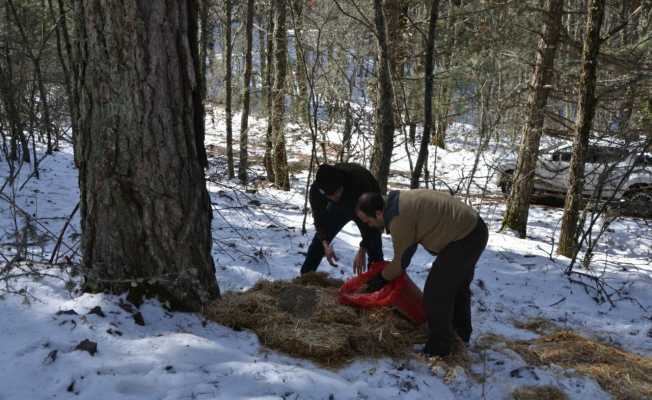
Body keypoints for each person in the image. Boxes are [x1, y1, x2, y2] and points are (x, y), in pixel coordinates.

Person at [355, 189, 488, 357]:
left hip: (465, 237)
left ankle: (439, 349)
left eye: (368, 221)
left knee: (435, 293)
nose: (369, 225)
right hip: (473, 229)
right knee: (456, 287)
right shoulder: (393, 203)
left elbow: (401, 262)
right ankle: (460, 336)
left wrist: (379, 280)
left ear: (379, 213)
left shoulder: (398, 218)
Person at [301, 163, 384, 275]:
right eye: (331, 195)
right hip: (338, 209)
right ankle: (304, 278)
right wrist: (325, 244)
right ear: (323, 192)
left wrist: (362, 248)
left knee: (374, 246)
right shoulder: (316, 191)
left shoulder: (360, 181)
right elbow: (319, 220)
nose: (336, 196)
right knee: (319, 243)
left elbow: (376, 221)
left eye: (338, 192)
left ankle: (376, 283)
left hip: (364, 205)